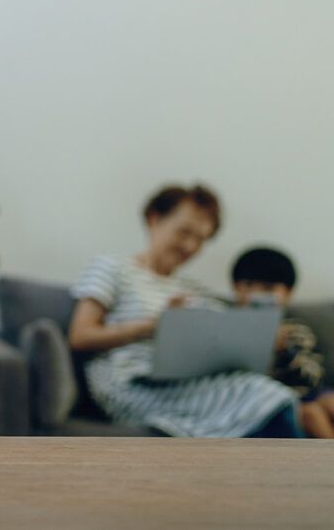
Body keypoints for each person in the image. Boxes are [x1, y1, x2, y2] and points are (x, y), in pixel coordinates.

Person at [67, 184, 302, 437]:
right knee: (268, 397)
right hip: (134, 385)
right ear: (154, 219)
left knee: (271, 396)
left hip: (188, 382)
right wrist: (151, 327)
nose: (190, 246)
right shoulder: (112, 268)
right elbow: (80, 337)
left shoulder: (194, 291)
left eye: (201, 239)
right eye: (184, 232)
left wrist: (263, 342)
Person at [231, 247, 334, 439]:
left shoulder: (295, 331)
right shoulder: (229, 329)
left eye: (268, 288)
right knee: (311, 413)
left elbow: (313, 377)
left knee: (329, 402)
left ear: (287, 294)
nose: (256, 294)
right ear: (236, 288)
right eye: (248, 285)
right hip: (271, 400)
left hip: (306, 392)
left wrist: (287, 351)